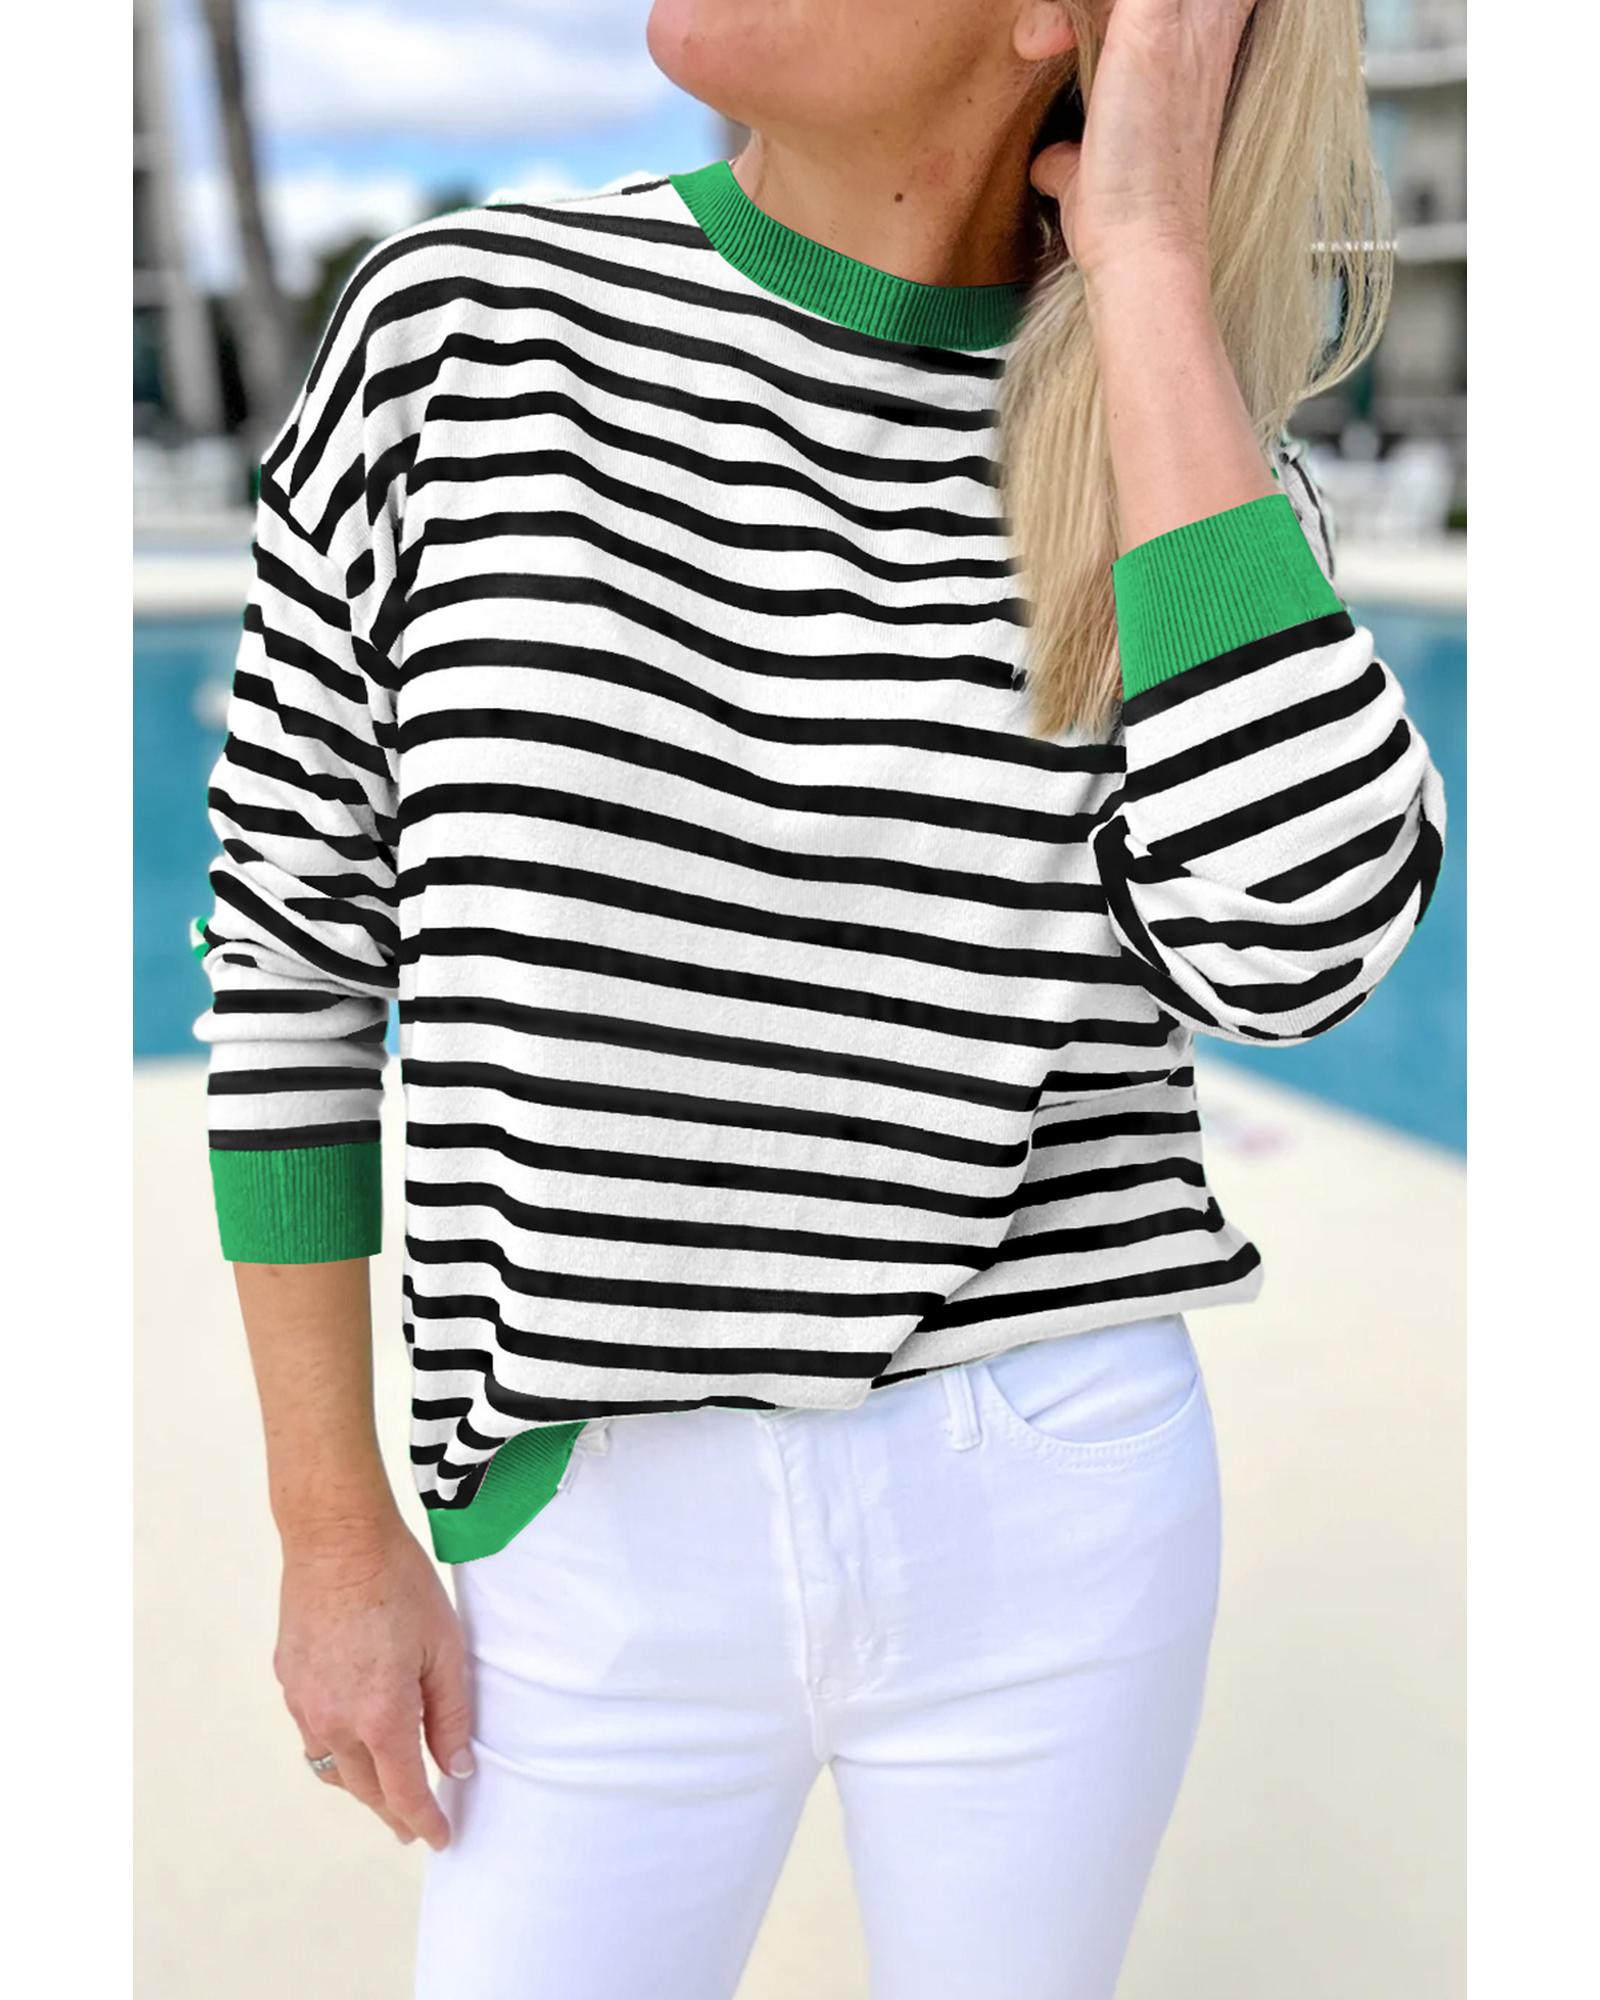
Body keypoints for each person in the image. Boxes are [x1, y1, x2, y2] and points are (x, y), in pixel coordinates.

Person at [190, 3, 1445, 1995]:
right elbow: (290, 950)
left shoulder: (1166, 447)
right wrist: (332, 1529)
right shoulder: (461, 333)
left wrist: (1137, 261)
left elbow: (1292, 946)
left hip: (1045, 1501)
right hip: (590, 1513)